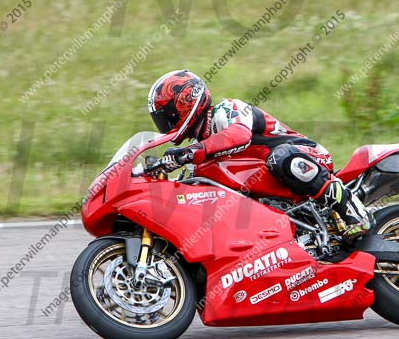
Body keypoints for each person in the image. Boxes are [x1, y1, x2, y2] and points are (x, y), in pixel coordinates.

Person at [147, 69, 372, 235]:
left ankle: (352, 210)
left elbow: (239, 135)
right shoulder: (200, 152)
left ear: (186, 102)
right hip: (272, 186)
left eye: (167, 116)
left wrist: (191, 151)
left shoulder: (227, 110)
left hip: (307, 156)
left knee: (281, 158)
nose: (165, 124)